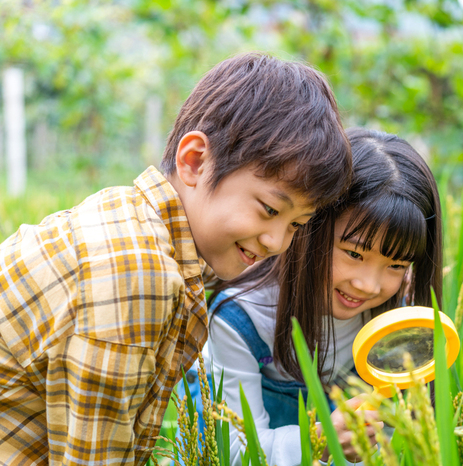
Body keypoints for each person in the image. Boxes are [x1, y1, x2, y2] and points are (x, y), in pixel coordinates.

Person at [0, 52, 352, 465]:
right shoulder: (134, 272)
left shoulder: (133, 224)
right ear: (194, 161)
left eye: (297, 225)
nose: (277, 242)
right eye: (270, 210)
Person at [200, 127, 443, 465]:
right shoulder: (241, 319)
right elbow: (233, 452)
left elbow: (390, 442)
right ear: (308, 227)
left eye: (396, 264)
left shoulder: (395, 321)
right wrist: (317, 441)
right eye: (354, 254)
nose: (369, 285)